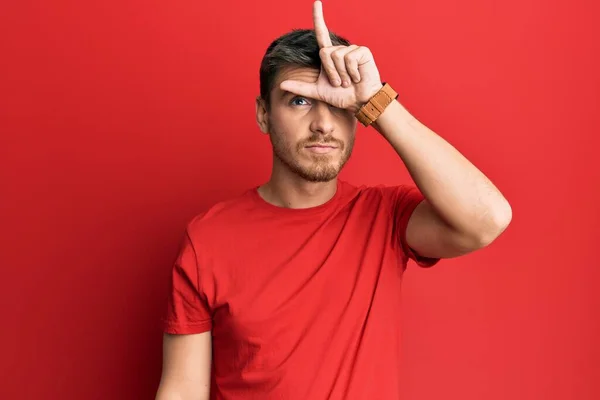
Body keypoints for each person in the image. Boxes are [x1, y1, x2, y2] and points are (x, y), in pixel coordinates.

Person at [155, 1, 512, 399]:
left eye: (339, 105)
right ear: (262, 114)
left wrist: (376, 100)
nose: (323, 124)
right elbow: (183, 389)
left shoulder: (384, 218)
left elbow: (487, 219)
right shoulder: (209, 238)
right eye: (300, 101)